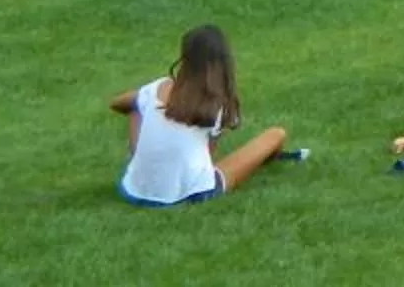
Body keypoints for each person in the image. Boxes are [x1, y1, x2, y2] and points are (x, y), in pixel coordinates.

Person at [113, 25, 291, 207]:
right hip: (194, 193)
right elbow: (208, 155)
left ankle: (142, 164)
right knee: (276, 134)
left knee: (136, 106)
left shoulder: (158, 87)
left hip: (133, 191)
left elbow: (117, 103)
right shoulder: (216, 103)